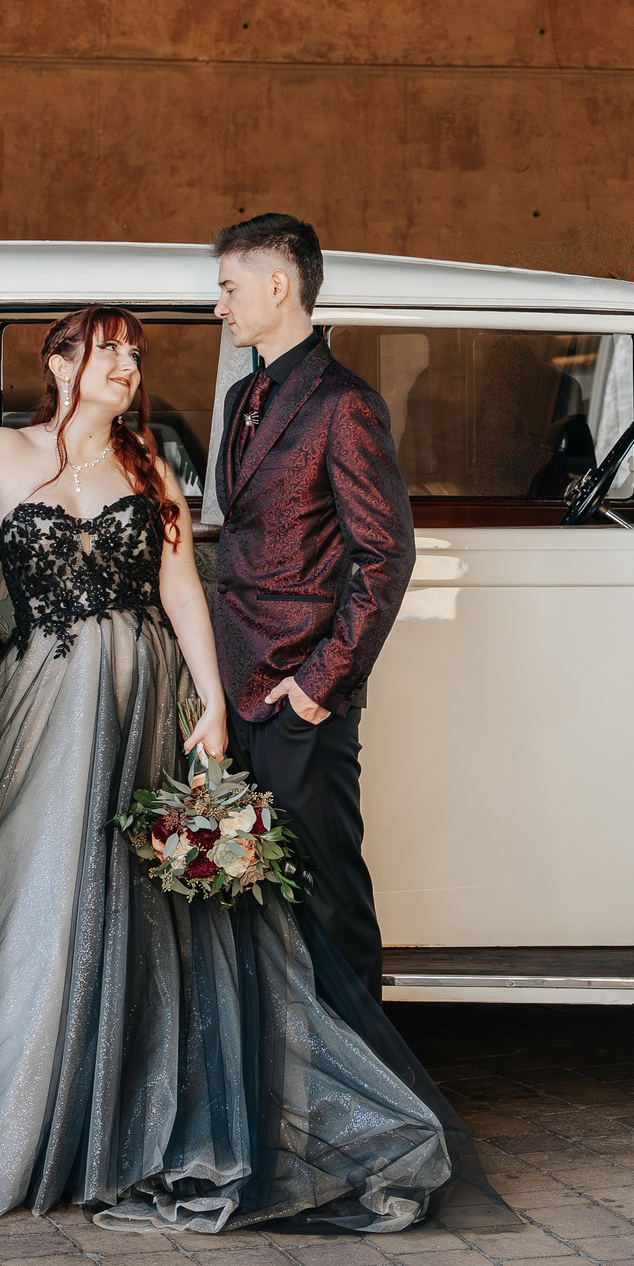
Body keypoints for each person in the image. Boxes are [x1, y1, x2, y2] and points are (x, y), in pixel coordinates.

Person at [0, 305, 454, 1231]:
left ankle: (128, 1115)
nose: (126, 366)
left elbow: (183, 592)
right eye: (108, 350)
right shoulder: (3, 451)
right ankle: (27, 1112)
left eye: (134, 355)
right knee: (42, 891)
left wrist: (213, 704)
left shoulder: (148, 466)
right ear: (60, 363)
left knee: (144, 907)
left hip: (144, 698)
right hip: (45, 707)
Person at [208, 214, 415, 997]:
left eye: (229, 289)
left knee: (329, 899)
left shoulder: (345, 403)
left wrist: (317, 686)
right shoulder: (241, 397)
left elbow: (385, 555)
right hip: (240, 690)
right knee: (254, 895)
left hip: (301, 697)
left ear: (278, 285)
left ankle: (364, 1067)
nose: (220, 306)